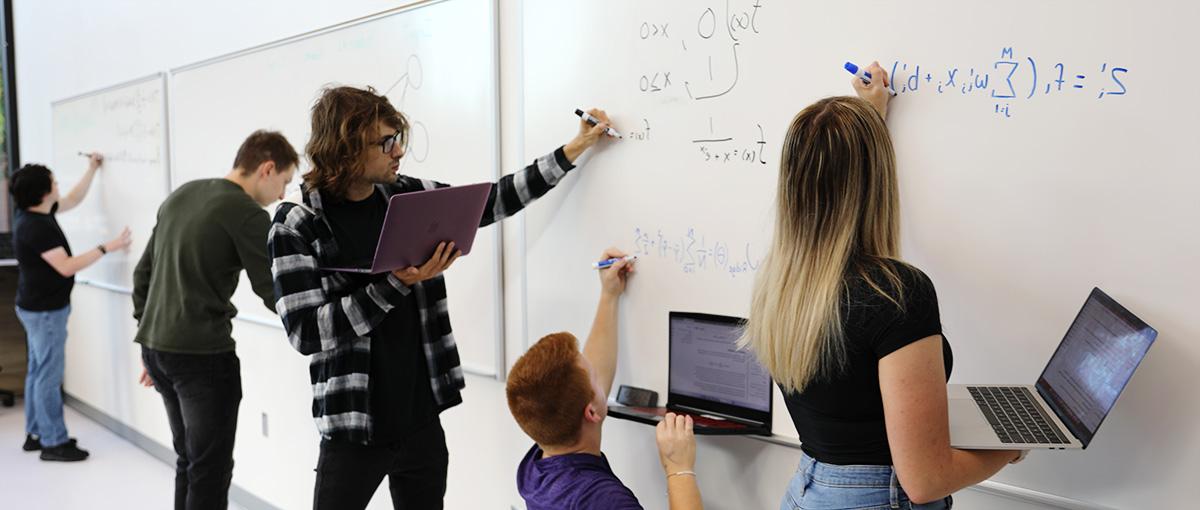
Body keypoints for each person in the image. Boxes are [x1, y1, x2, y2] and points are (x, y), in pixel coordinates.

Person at [268, 85, 615, 510]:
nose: (399, 152)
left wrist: (573, 148)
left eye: (400, 139)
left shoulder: (408, 197)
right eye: (386, 142)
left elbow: (492, 201)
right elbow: (306, 332)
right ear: (346, 146)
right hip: (354, 426)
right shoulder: (297, 224)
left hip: (419, 419)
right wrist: (395, 284)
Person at [737, 62, 1027, 509]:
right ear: (878, 182)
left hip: (809, 491)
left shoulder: (781, 284)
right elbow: (926, 481)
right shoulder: (897, 295)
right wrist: (1012, 444)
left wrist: (868, 115)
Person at [132, 130, 298, 510]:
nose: (283, 195)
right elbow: (274, 291)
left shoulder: (181, 195)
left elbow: (143, 275)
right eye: (284, 182)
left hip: (158, 351)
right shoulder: (246, 213)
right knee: (210, 469)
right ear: (267, 169)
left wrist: (150, 338)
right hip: (202, 358)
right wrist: (320, 324)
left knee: (189, 461)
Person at [506, 249, 704, 510]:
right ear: (590, 412)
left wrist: (609, 296)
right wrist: (678, 469)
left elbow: (580, 391)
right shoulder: (602, 499)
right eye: (595, 379)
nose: (598, 375)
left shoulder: (538, 467)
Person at [10, 154, 131, 461]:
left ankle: (37, 433)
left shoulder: (34, 210)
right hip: (45, 312)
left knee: (39, 371)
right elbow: (66, 267)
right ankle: (53, 443)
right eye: (53, 183)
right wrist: (107, 246)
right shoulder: (35, 227)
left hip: (35, 307)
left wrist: (92, 168)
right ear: (43, 193)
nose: (58, 185)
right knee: (48, 375)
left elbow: (74, 198)